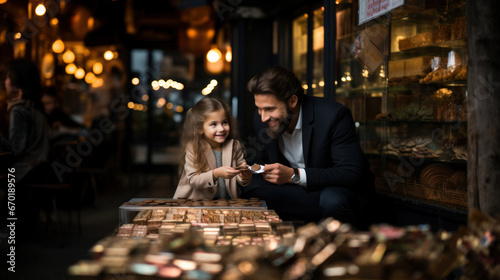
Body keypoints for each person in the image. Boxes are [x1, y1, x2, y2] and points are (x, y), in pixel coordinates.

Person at [242, 66, 374, 225]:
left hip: (332, 191)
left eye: (269, 109)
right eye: (259, 109)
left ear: (292, 101)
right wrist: (249, 172)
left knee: (332, 201)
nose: (263, 117)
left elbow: (351, 173)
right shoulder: (262, 120)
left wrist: (293, 175)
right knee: (251, 191)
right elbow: (261, 163)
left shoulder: (334, 115)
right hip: (297, 193)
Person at [174, 97, 252, 199]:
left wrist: (244, 177)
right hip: (198, 205)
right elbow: (193, 180)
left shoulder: (234, 145)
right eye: (213, 124)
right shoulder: (193, 147)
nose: (221, 128)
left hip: (226, 204)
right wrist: (216, 173)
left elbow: (240, 178)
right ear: (200, 128)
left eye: (224, 122)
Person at [0, 59, 50, 182]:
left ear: (16, 84)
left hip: (24, 171)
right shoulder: (36, 106)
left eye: (7, 78)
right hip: (42, 168)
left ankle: (9, 202)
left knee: (6, 194)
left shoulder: (19, 110)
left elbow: (16, 149)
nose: (5, 82)